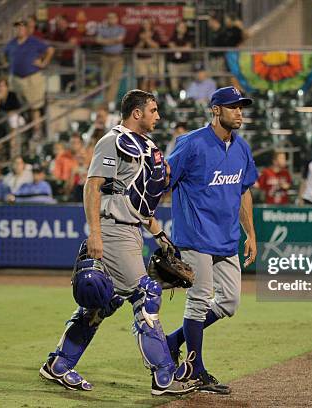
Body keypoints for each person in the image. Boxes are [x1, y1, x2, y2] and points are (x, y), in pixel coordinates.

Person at [40, 89, 198, 395]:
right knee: (146, 293)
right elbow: (93, 187)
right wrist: (95, 232)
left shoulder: (147, 145)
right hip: (113, 230)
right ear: (136, 113)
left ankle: (59, 364)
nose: (158, 116)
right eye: (153, 110)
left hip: (131, 230)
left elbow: (137, 200)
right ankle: (164, 375)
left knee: (105, 303)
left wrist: (157, 232)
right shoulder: (113, 140)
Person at [165, 86, 258, 394]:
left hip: (226, 238)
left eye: (241, 106)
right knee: (200, 296)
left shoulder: (241, 148)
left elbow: (244, 190)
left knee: (230, 301)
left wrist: (250, 233)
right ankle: (193, 370)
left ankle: (173, 341)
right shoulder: (191, 144)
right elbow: (164, 179)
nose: (239, 112)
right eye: (233, 107)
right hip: (195, 235)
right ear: (216, 110)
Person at [4, 20, 54, 138]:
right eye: (17, 28)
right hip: (16, 79)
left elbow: (50, 50)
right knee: (16, 107)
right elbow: (4, 54)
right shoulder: (11, 43)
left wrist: (44, 63)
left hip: (32, 78)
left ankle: (37, 132)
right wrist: (6, 63)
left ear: (26, 29)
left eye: (21, 27)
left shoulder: (33, 41)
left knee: (34, 107)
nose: (19, 30)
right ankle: (20, 133)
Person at [95, 12, 126, 106]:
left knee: (114, 80)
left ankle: (108, 103)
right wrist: (113, 41)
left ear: (117, 19)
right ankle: (105, 101)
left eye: (113, 17)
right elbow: (98, 40)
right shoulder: (102, 29)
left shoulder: (121, 29)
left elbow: (119, 40)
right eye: (109, 18)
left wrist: (106, 41)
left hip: (117, 58)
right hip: (105, 57)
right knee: (105, 80)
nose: (111, 19)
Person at [49, 14, 80, 91]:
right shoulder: (56, 33)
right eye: (57, 23)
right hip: (60, 61)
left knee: (73, 83)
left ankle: (74, 97)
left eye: (61, 22)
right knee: (62, 84)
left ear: (66, 23)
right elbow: (52, 45)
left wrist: (59, 47)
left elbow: (71, 44)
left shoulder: (72, 31)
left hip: (72, 61)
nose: (59, 24)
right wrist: (61, 47)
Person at [134, 19, 161, 92]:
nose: (146, 25)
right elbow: (136, 49)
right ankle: (143, 98)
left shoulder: (155, 33)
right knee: (143, 80)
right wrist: (142, 40)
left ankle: (152, 98)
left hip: (152, 59)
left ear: (151, 25)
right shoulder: (138, 34)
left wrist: (147, 39)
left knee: (152, 80)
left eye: (147, 23)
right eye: (144, 24)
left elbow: (157, 46)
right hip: (141, 60)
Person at [167, 20, 193, 93]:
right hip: (174, 64)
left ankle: (187, 100)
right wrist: (183, 48)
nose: (183, 29)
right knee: (174, 84)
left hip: (185, 63)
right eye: (181, 27)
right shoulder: (172, 37)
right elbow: (171, 47)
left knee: (186, 83)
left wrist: (177, 48)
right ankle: (175, 99)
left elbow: (188, 48)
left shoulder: (188, 37)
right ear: (177, 28)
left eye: (184, 27)